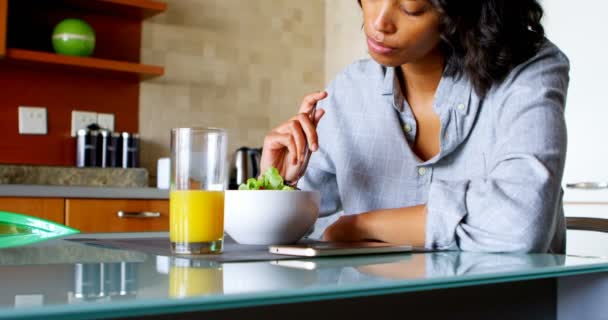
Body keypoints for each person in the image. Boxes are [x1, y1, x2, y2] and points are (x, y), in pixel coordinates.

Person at [260, 0, 569, 253]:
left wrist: (360, 226)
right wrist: (278, 187)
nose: (380, 22)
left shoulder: (529, 70)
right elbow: (296, 238)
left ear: (458, 15)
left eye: (411, 8)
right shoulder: (348, 91)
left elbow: (523, 225)